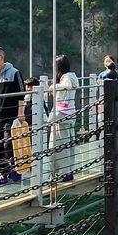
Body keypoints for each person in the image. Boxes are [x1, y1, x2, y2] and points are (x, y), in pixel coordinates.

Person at [0, 47, 25, 186]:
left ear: (0, 57)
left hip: (12, 114)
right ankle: (2, 173)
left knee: (10, 143)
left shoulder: (14, 73)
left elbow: (21, 93)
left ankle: (15, 169)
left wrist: (21, 113)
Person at [48, 54, 79, 182]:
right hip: (67, 113)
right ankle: (65, 172)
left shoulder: (67, 77)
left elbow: (67, 86)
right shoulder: (72, 76)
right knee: (64, 144)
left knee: (57, 145)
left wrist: (52, 87)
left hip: (62, 114)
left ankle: (63, 173)